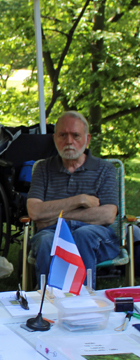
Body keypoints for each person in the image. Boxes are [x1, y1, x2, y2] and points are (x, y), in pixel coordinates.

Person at [27, 111, 120, 289]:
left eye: (75, 135)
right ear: (55, 138)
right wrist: (80, 199)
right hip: (51, 235)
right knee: (45, 240)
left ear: (87, 139)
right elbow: (35, 212)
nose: (69, 141)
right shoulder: (42, 169)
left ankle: (82, 300)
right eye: (63, 135)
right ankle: (47, 301)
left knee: (82, 235)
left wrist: (56, 216)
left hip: (97, 237)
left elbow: (108, 215)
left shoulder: (104, 169)